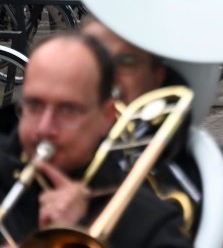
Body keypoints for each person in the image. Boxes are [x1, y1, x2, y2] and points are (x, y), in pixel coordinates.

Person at [81, 18, 223, 248]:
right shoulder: (40, 154)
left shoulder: (211, 173)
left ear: (157, 76)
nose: (105, 77)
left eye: (125, 62)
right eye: (92, 59)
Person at [0, 34, 191, 247]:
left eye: (67, 110)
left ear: (107, 116)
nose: (44, 128)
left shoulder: (151, 223)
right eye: (34, 105)